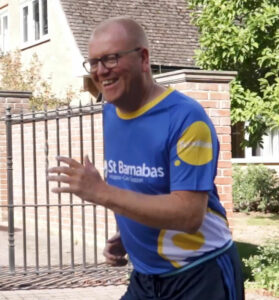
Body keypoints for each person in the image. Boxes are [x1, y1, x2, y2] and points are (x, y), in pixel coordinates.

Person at [48, 17, 244, 300]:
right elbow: (139, 185)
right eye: (93, 62)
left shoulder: (186, 119)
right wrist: (128, 235)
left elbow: (189, 214)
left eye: (111, 59)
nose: (101, 71)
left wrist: (100, 191)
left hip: (201, 273)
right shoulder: (111, 113)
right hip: (146, 276)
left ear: (143, 58)